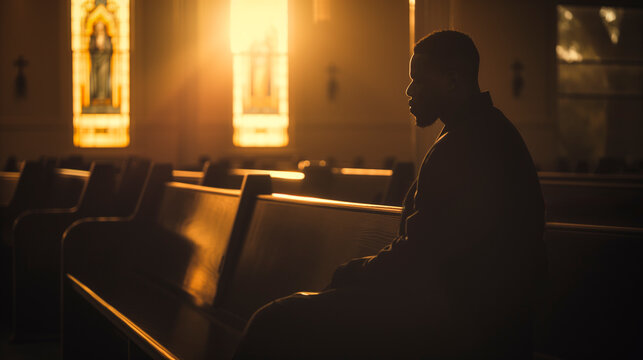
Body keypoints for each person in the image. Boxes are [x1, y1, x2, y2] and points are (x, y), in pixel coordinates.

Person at [234, 30, 546, 359]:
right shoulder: (479, 131)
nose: (409, 90)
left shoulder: (471, 144)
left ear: (452, 81)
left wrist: (356, 271)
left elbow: (422, 253)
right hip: (460, 308)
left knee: (274, 323)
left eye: (419, 80)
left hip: (467, 326)